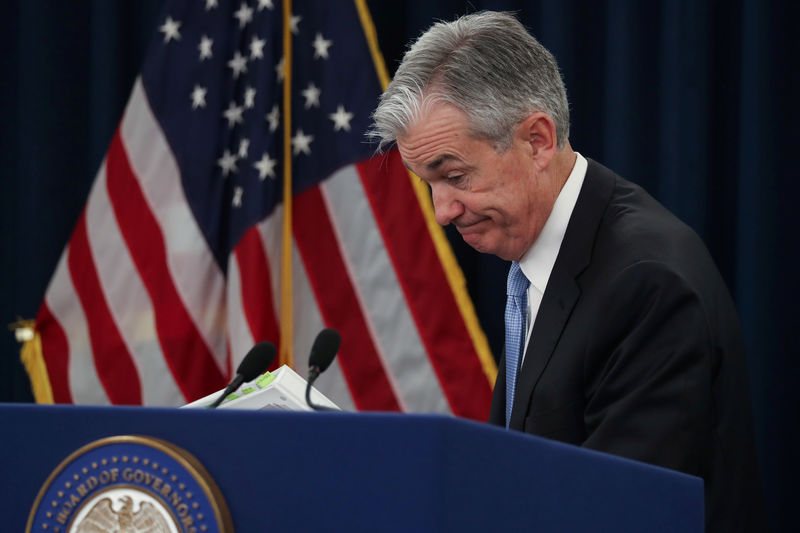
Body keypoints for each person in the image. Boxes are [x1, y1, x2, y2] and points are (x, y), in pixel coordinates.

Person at [370, 11, 765, 532]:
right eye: (428, 184)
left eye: (456, 176)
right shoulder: (539, 257)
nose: (443, 211)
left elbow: (619, 513)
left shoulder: (648, 284)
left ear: (537, 139)